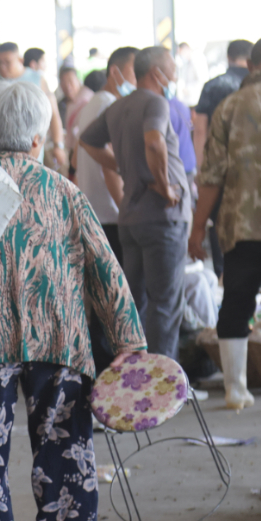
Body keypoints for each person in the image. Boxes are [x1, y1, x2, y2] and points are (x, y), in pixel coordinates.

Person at [0, 80, 146, 521]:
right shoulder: (63, 191)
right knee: (67, 445)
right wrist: (130, 343)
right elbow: (107, 271)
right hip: (58, 337)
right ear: (37, 138)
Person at [189, 36, 261, 411]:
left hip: (241, 224)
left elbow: (212, 175)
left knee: (236, 303)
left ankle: (235, 391)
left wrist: (197, 228)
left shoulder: (228, 107)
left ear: (252, 65)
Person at [80, 46, 190, 360]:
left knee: (136, 304)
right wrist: (165, 185)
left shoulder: (118, 107)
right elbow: (154, 140)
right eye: (172, 70)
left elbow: (87, 141)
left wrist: (124, 166)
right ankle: (163, 385)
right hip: (162, 217)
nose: (175, 76)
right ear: (157, 73)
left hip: (131, 217)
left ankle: (138, 381)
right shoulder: (156, 102)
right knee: (165, 305)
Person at [192, 39, 252, 278]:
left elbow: (200, 130)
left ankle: (222, 275)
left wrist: (202, 168)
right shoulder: (256, 86)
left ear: (228, 58)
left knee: (219, 222)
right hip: (253, 171)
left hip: (219, 170)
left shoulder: (213, 86)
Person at [74, 47, 138, 266]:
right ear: (114, 72)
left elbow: (76, 159)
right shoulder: (111, 105)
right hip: (111, 214)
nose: (137, 78)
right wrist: (127, 211)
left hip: (94, 211)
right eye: (133, 71)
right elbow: (109, 166)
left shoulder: (92, 102)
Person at [0, 43, 67, 170]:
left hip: (31, 153)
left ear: (20, 60)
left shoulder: (37, 79)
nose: (3, 67)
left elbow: (53, 115)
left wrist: (58, 145)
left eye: (7, 62)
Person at [175, 42, 208, 107]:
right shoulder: (187, 62)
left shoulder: (197, 58)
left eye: (181, 52)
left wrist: (188, 90)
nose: (180, 55)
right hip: (188, 99)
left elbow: (202, 80)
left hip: (195, 99)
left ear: (186, 49)